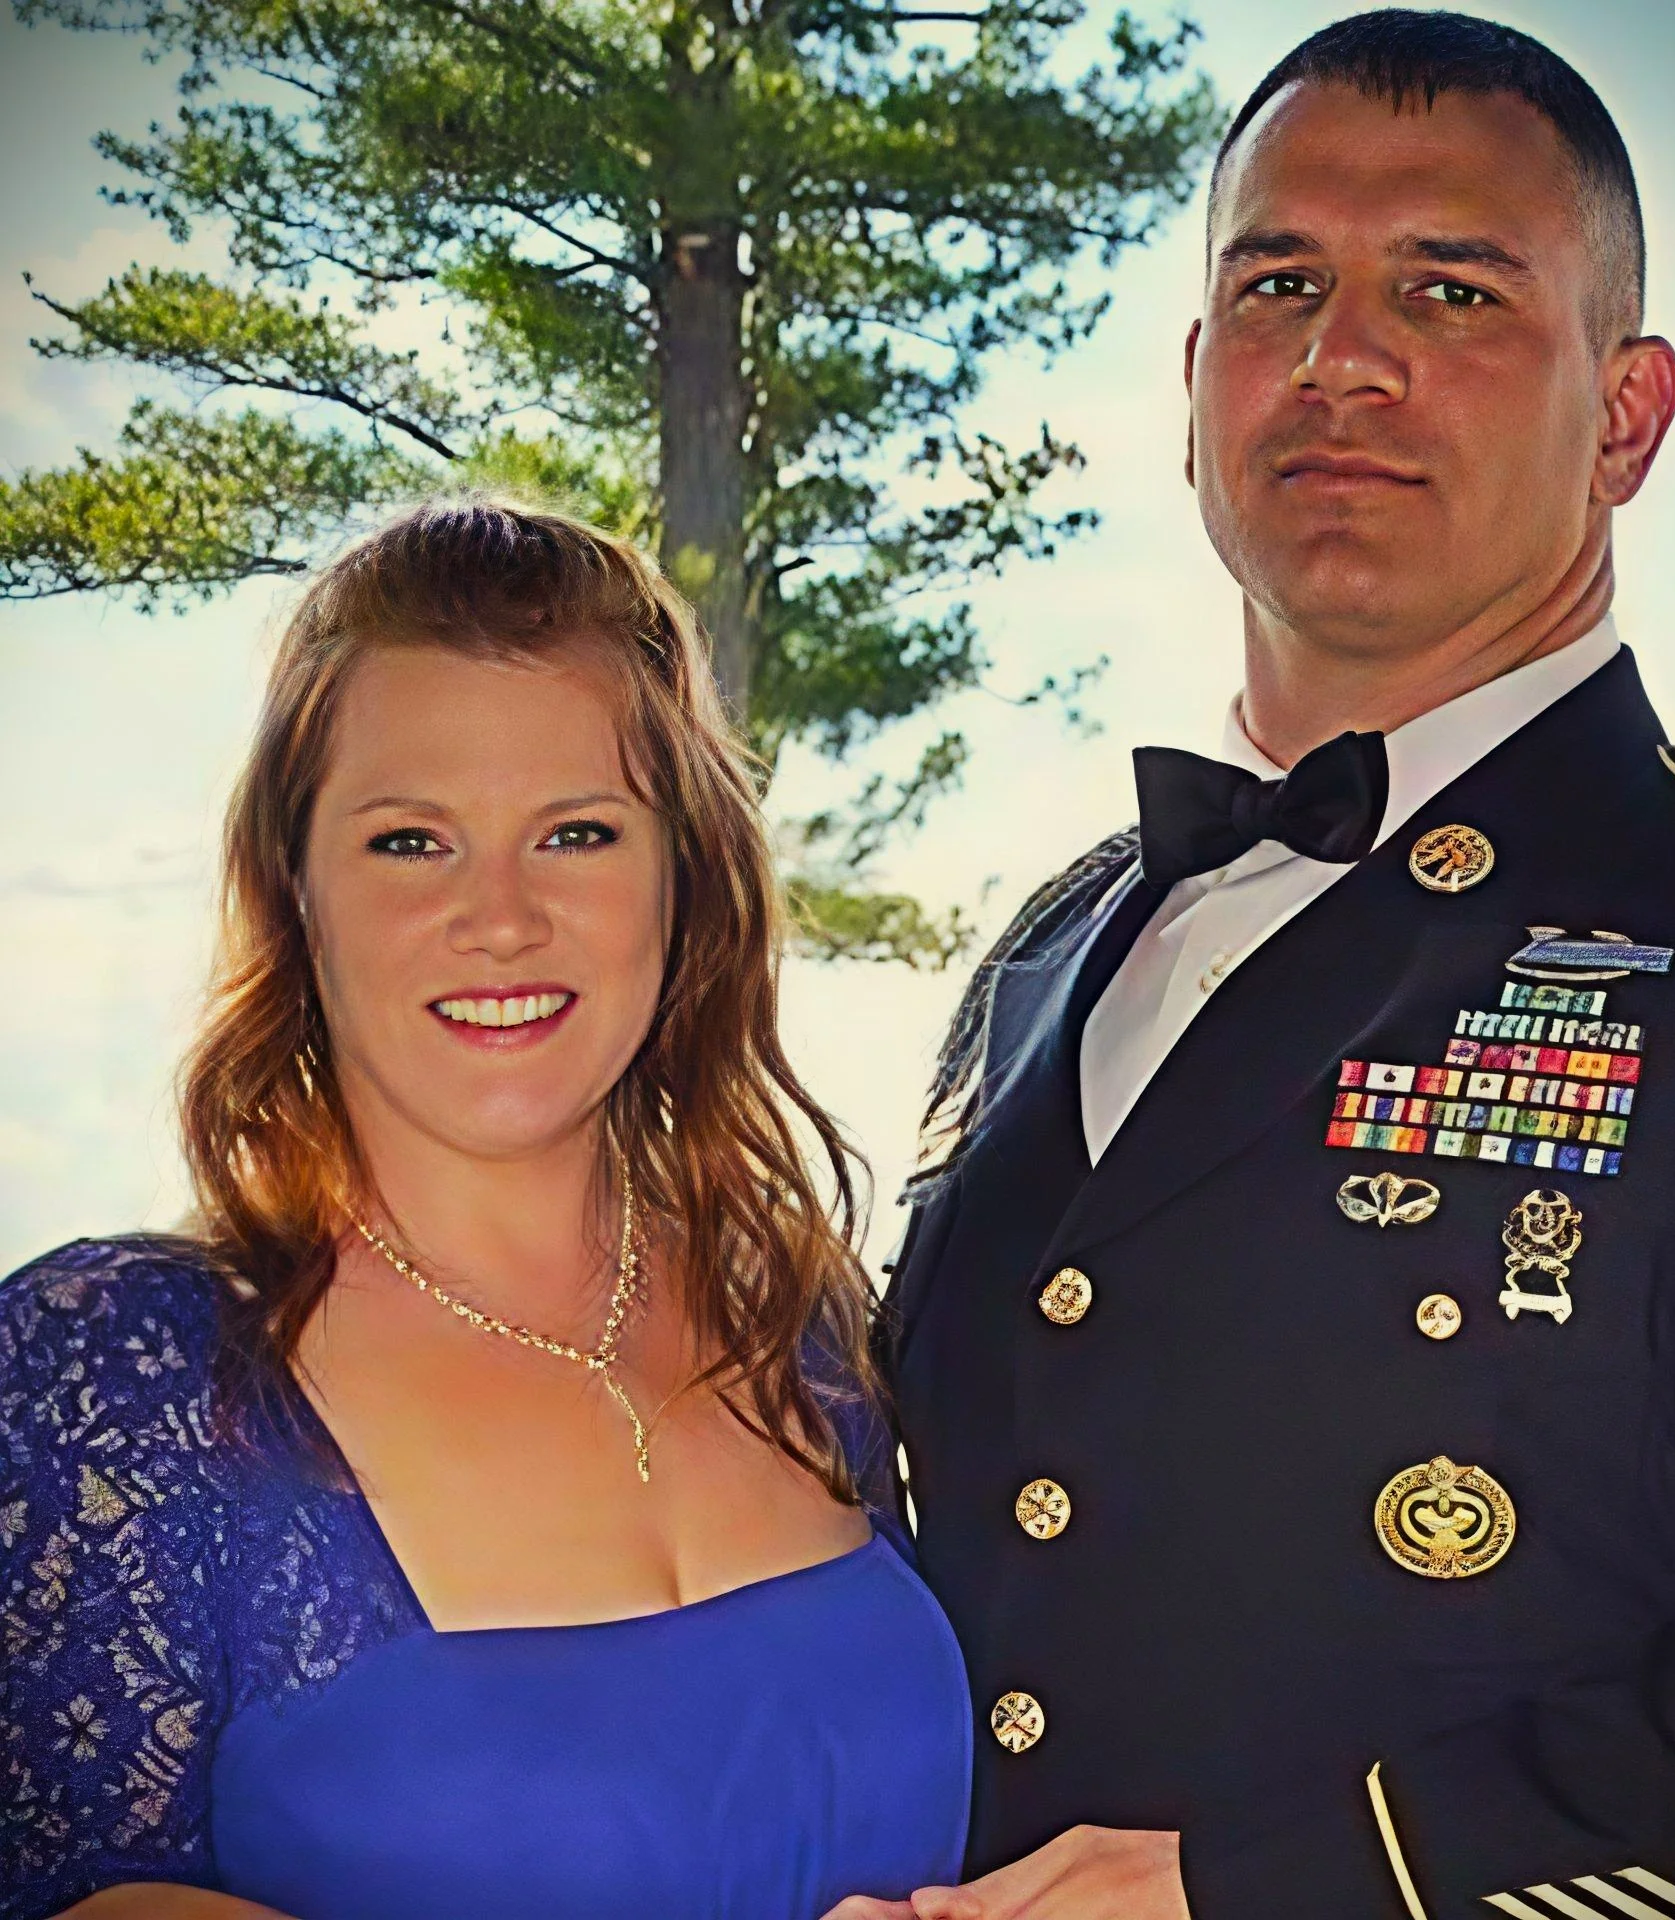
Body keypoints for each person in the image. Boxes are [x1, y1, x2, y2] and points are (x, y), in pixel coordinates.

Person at [836, 11, 1675, 1919]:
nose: (1343, 358)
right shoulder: (1045, 951)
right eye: (1280, 284)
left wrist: (1252, 1892)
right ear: (1196, 385)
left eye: (1452, 290)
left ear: (1629, 412)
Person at [0, 500, 972, 1919]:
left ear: (684, 881)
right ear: (296, 889)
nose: (501, 919)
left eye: (577, 833)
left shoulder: (801, 1318)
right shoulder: (108, 1382)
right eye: (410, 843)